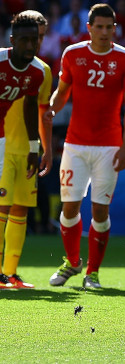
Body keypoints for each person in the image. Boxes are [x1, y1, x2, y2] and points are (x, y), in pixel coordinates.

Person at [45, 3, 125, 289]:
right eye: (98, 26)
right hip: (74, 144)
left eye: (108, 27)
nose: (103, 32)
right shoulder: (72, 54)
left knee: (100, 212)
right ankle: (73, 262)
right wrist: (51, 108)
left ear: (115, 28)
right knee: (69, 208)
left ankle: (93, 273)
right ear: (89, 28)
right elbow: (61, 94)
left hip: (109, 147)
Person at [0, 12, 45, 290]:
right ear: (12, 40)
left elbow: (31, 108)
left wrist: (33, 147)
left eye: (35, 41)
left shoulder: (36, 73)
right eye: (25, 41)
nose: (30, 46)